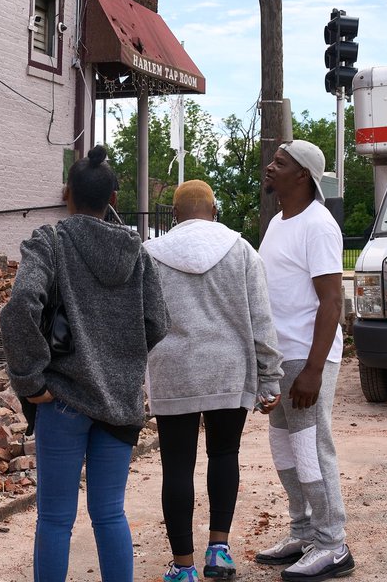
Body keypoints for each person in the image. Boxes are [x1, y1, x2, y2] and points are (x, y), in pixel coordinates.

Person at [0, 145, 170, 582]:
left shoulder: (50, 242)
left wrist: (29, 378)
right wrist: (121, 356)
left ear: (66, 193)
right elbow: (157, 322)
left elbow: (20, 306)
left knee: (55, 519)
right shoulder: (138, 253)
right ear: (114, 198)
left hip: (62, 400)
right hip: (119, 402)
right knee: (109, 513)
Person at [143, 180, 283, 582]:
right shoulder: (241, 251)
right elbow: (261, 318)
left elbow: (141, 321)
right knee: (224, 454)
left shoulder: (150, 255)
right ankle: (219, 552)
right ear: (215, 209)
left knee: (176, 467)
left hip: (173, 371)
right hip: (228, 367)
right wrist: (269, 378)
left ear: (173, 215)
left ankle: (183, 567)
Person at [254, 140, 356, 581]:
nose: (270, 167)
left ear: (302, 176)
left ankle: (333, 544)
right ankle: (303, 530)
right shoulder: (279, 221)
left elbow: (332, 301)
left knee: (313, 449)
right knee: (284, 448)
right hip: (281, 356)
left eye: (281, 163)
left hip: (306, 357)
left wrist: (314, 369)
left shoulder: (319, 225)